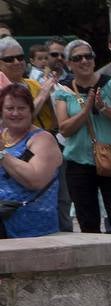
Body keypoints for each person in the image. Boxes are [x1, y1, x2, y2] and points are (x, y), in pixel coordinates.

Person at [53, 39, 111, 234]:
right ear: (69, 64)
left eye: (88, 56)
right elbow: (64, 129)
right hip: (79, 163)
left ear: (94, 60)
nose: (84, 61)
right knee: (88, 222)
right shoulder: (64, 89)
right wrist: (86, 111)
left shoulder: (110, 83)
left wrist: (103, 108)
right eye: (78, 58)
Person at [0, 82, 62, 238]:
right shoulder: (2, 135)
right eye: (10, 108)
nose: (15, 113)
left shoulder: (42, 140)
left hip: (30, 225)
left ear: (31, 110)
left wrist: (1, 154)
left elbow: (35, 180)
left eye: (21, 108)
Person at [0, 37, 58, 133]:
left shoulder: (33, 83)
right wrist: (42, 96)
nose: (17, 62)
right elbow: (11, 123)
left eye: (20, 57)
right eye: (9, 59)